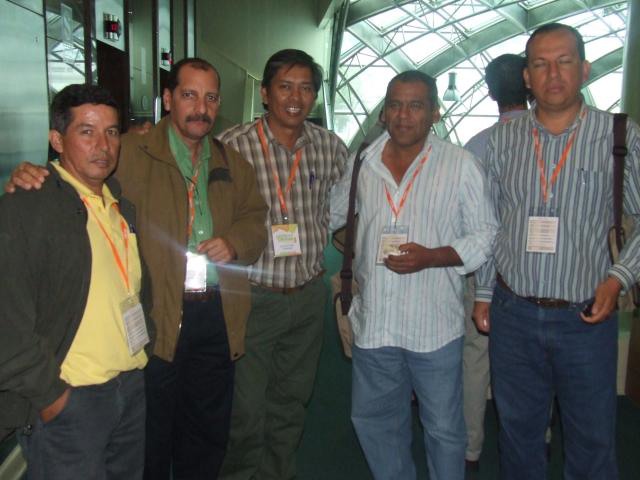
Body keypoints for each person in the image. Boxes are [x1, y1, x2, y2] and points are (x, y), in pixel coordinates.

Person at [5, 58, 269, 480]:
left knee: (205, 430)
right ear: (168, 99)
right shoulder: (130, 152)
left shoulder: (229, 164)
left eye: (211, 97)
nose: (201, 107)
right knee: (151, 437)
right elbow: (70, 176)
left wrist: (235, 241)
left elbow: (256, 219)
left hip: (207, 317)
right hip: (155, 320)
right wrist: (30, 174)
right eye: (189, 95)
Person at [473, 23, 640, 479]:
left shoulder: (619, 136)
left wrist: (619, 278)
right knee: (518, 437)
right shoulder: (504, 139)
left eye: (564, 61)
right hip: (513, 314)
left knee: (592, 441)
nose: (553, 74)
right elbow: (490, 222)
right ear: (527, 77)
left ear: (584, 69)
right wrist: (484, 292)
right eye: (541, 64)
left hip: (585, 318)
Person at [330, 70, 498, 480]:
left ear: (435, 113)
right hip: (376, 321)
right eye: (395, 105)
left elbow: (486, 234)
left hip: (433, 325)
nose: (403, 115)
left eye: (415, 106)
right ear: (384, 112)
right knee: (375, 422)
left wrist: (433, 256)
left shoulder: (460, 165)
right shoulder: (364, 161)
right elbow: (332, 214)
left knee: (443, 429)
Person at [0, 84, 154, 479]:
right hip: (71, 402)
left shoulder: (119, 206)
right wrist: (50, 396)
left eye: (112, 132)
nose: (103, 145)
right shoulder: (27, 206)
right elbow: (7, 321)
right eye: (87, 131)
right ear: (57, 140)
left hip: (128, 388)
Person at [218, 49, 348, 480]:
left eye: (306, 88)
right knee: (245, 409)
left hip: (307, 296)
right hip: (252, 296)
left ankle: (277, 473)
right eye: (285, 87)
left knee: (291, 402)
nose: (296, 98)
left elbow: (349, 207)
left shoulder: (329, 147)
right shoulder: (233, 146)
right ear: (265, 93)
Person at [462, 53, 528, 472]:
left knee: (475, 355)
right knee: (529, 360)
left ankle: (470, 447)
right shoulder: (545, 139)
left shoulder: (475, 146)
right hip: (530, 272)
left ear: (489, 92)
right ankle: (537, 436)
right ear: (530, 83)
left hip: (481, 265)